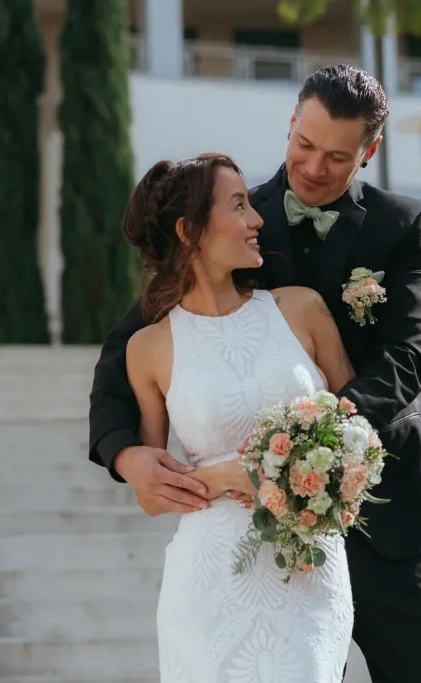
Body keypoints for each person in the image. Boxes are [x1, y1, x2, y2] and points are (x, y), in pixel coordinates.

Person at [90, 65, 421, 683]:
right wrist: (125, 454)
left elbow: (406, 359)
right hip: (262, 542)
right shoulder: (234, 219)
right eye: (305, 144)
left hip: (389, 516)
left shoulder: (402, 225)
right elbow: (121, 352)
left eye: (337, 156)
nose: (314, 167)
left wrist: (313, 447)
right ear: (291, 123)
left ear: (369, 152)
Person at [123, 152, 355, 680]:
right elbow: (150, 496)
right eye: (238, 205)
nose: (256, 220)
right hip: (209, 578)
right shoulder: (148, 348)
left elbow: (357, 431)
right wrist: (226, 477)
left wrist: (279, 474)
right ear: (190, 232)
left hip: (308, 572)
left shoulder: (302, 309)